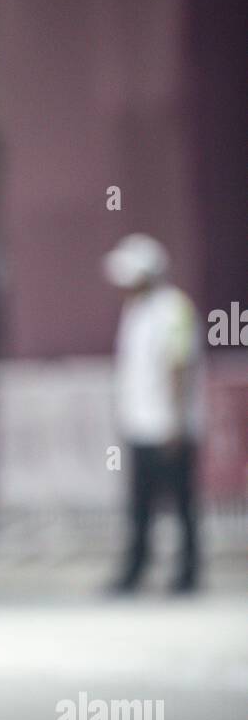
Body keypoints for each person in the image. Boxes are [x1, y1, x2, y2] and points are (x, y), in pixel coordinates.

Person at [103, 233, 203, 593]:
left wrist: (176, 421)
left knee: (181, 504)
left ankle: (188, 573)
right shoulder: (135, 311)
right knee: (139, 505)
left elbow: (178, 364)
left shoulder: (174, 308)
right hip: (140, 423)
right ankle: (135, 570)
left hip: (170, 426)